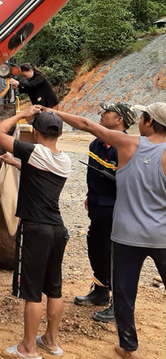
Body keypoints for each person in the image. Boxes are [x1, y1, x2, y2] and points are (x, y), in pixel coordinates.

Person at [46, 102, 166, 359]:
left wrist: (51, 111)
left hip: (127, 235)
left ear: (148, 121)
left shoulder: (128, 144)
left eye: (143, 116)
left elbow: (87, 125)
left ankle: (128, 347)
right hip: (162, 237)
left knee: (124, 291)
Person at [0, 106, 71, 359]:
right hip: (58, 228)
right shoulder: (64, 160)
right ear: (59, 134)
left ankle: (28, 348)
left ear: (35, 133)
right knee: (54, 288)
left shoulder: (34, 150)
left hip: (35, 228)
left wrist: (20, 115)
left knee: (33, 292)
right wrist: (15, 162)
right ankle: (51, 341)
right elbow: (42, 173)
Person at [74, 102, 136, 324]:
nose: (101, 115)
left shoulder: (128, 146)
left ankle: (118, 307)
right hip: (98, 209)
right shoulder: (96, 144)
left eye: (107, 113)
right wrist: (91, 197)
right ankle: (100, 292)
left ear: (119, 119)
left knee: (116, 256)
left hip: (118, 210)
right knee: (97, 249)